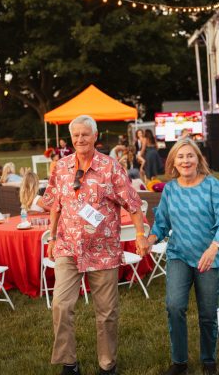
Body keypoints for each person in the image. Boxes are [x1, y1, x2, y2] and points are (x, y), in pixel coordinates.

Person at [42, 115, 148, 375]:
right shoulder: (62, 167)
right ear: (71, 138)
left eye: (85, 134)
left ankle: (107, 364)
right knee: (61, 305)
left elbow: (133, 203)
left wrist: (140, 234)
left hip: (103, 249)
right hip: (68, 246)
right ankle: (69, 362)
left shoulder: (110, 167)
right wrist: (53, 236)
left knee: (107, 311)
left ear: (95, 136)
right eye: (76, 135)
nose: (80, 139)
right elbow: (55, 204)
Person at [147, 138, 219, 375]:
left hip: (209, 257)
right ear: (173, 161)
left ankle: (208, 359)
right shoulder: (171, 189)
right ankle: (180, 363)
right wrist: (150, 239)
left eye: (190, 155)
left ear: (198, 159)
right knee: (174, 306)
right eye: (180, 156)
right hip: (179, 255)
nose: (185, 160)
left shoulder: (212, 185)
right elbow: (162, 223)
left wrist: (214, 247)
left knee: (207, 312)